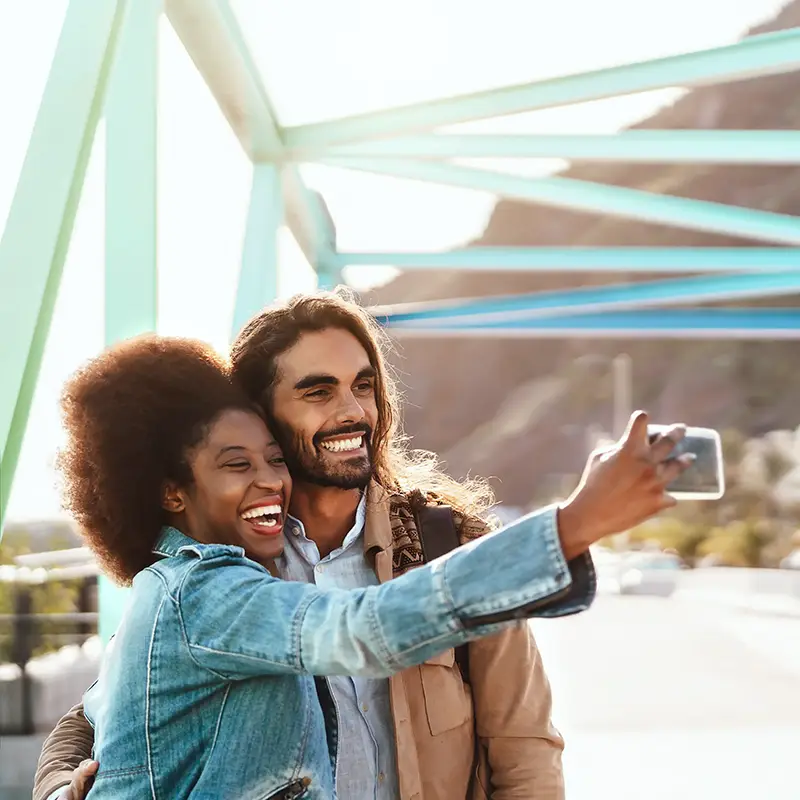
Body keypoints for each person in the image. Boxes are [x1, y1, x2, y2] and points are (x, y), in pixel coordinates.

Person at [34, 294, 692, 800]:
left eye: (364, 385)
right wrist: (61, 787)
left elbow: (525, 746)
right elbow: (100, 713)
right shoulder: (224, 570)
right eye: (318, 391)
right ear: (263, 413)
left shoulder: (448, 547)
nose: (353, 410)